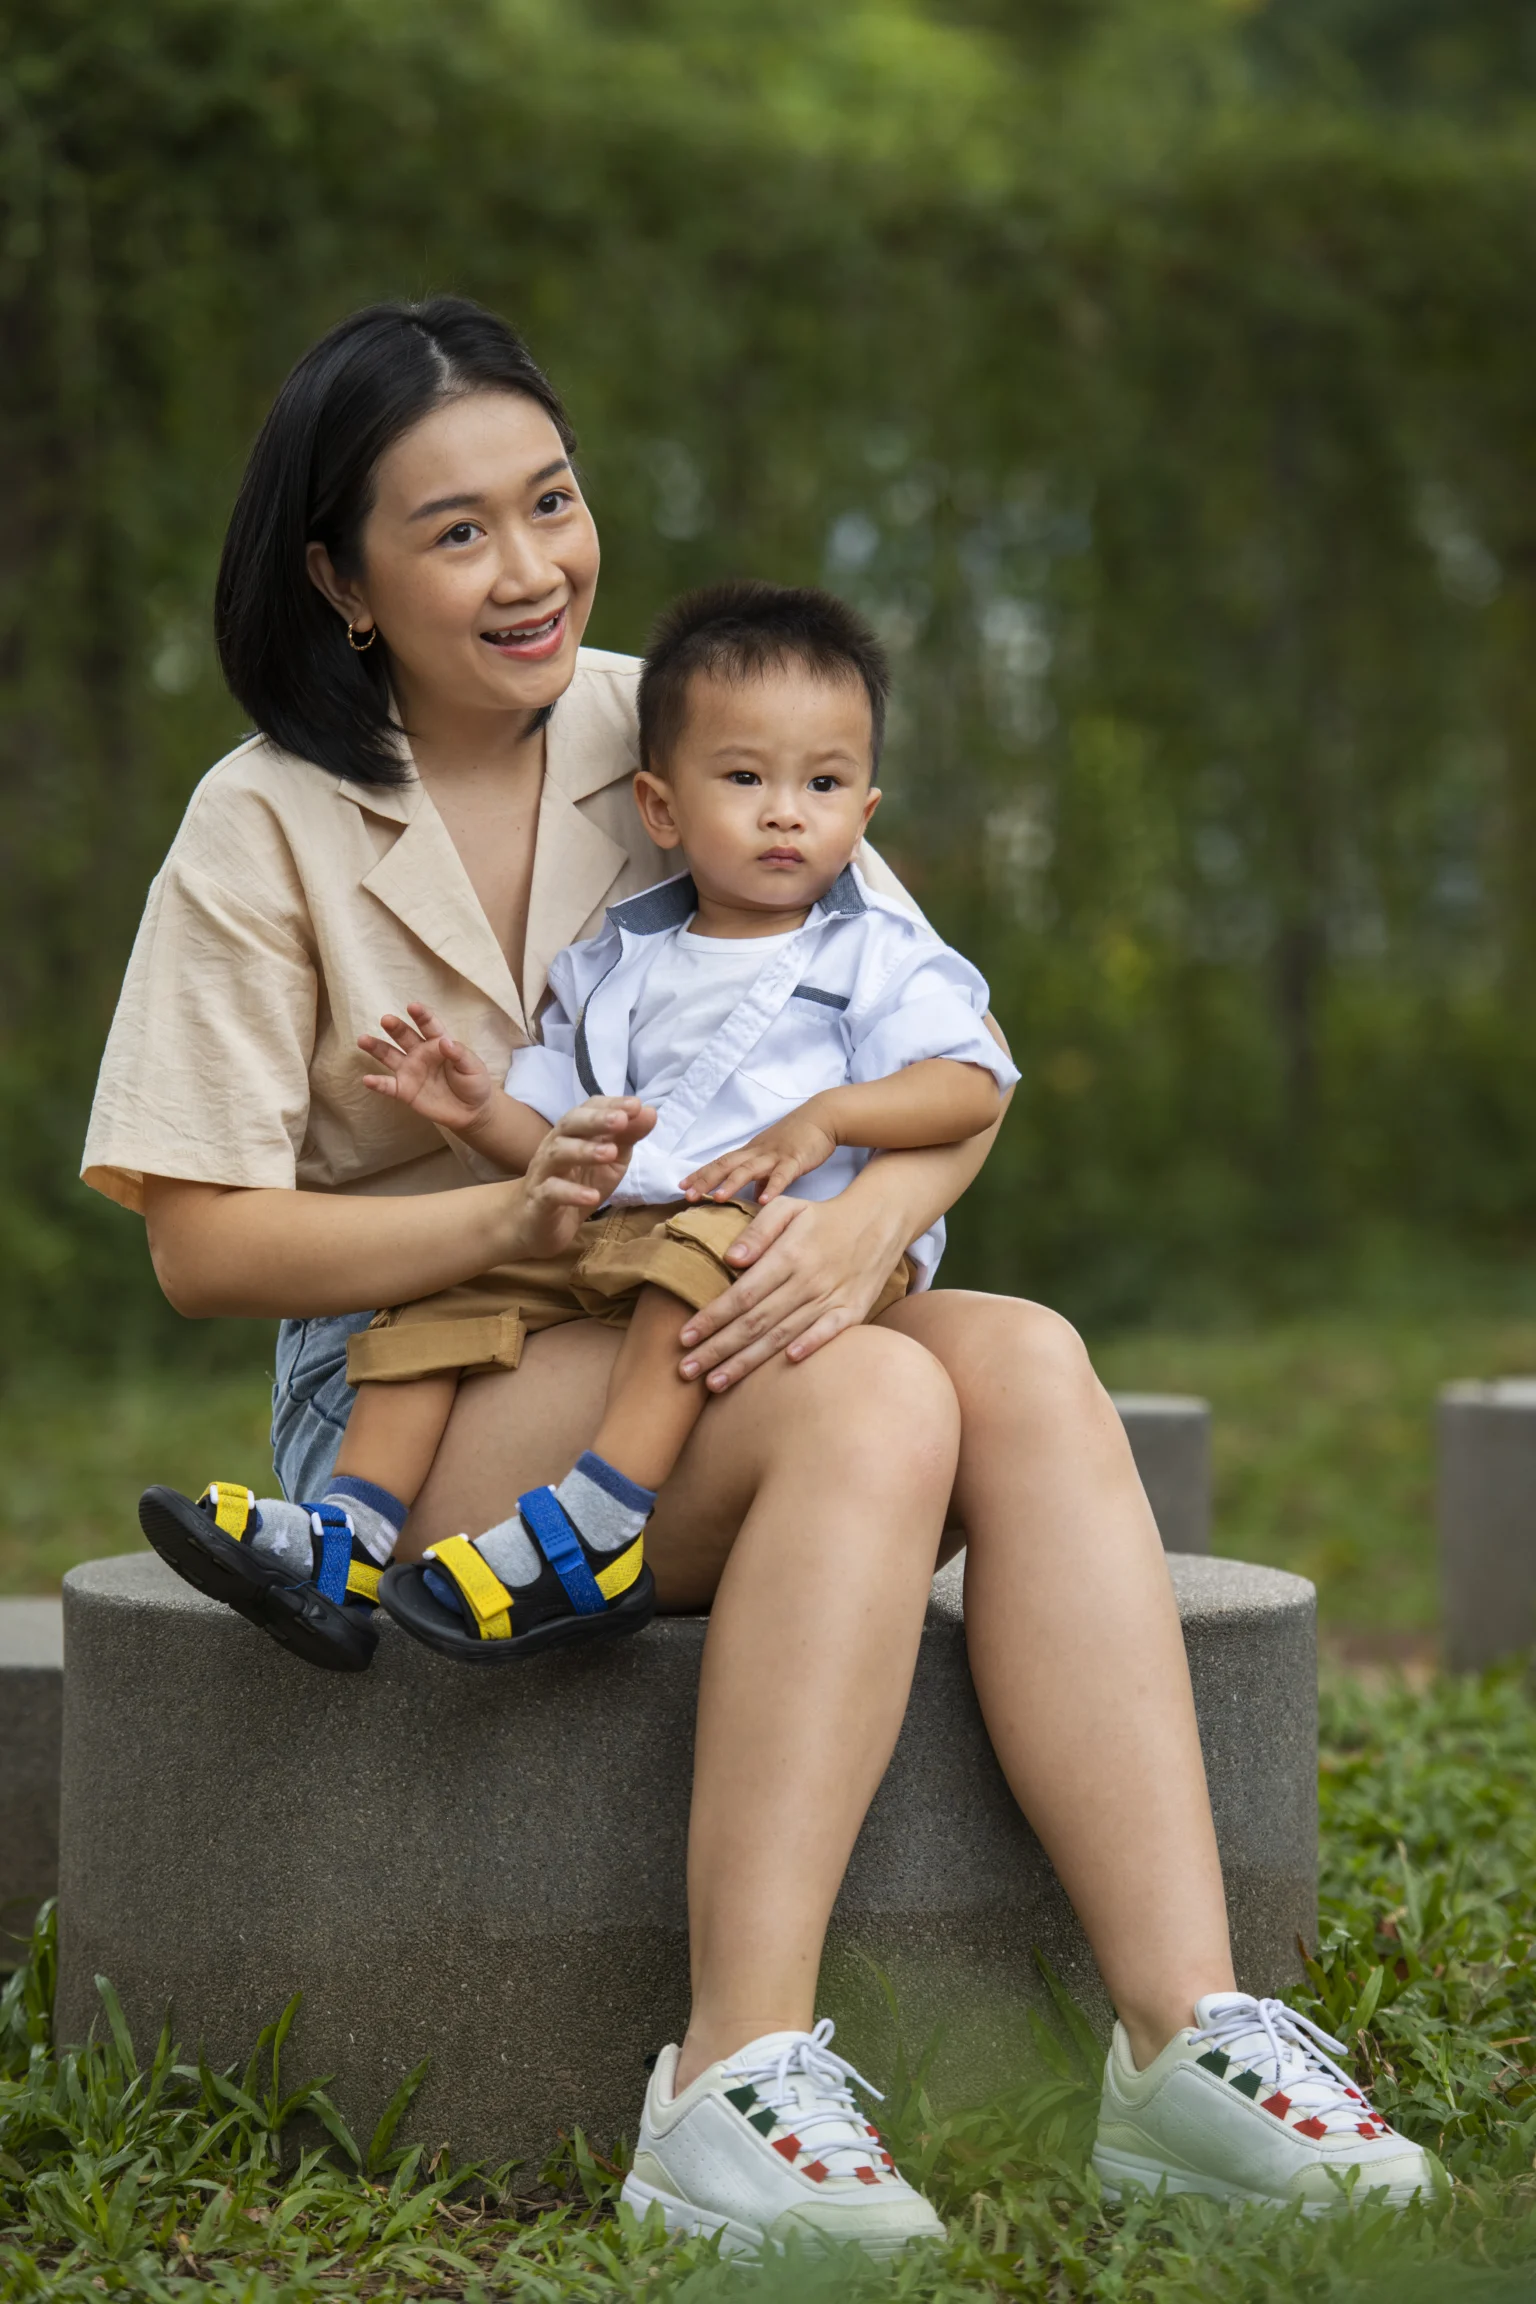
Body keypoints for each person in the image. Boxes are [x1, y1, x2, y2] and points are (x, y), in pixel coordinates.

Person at [84, 296, 1443, 2256]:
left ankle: (1189, 2048)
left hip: (729, 1300)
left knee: (1031, 1358)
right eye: (454, 530)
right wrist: (509, 1216)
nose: (533, 566)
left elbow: (950, 1072)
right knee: (883, 1395)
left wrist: (871, 1228)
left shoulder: (689, 714)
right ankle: (731, 2080)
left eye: (552, 501)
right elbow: (201, 1248)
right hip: (428, 1386)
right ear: (339, 579)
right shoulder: (263, 822)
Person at [139, 579, 1015, 1668]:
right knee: (436, 1296)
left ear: (863, 811)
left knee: (693, 1263)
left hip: (759, 1238)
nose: (787, 810)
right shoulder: (620, 963)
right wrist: (481, 1113)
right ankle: (349, 1530)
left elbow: (973, 1084)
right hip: (612, 1238)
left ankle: (601, 1521)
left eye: (823, 785)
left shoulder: (873, 948)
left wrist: (833, 1122)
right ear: (663, 808)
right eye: (745, 780)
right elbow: (562, 1156)